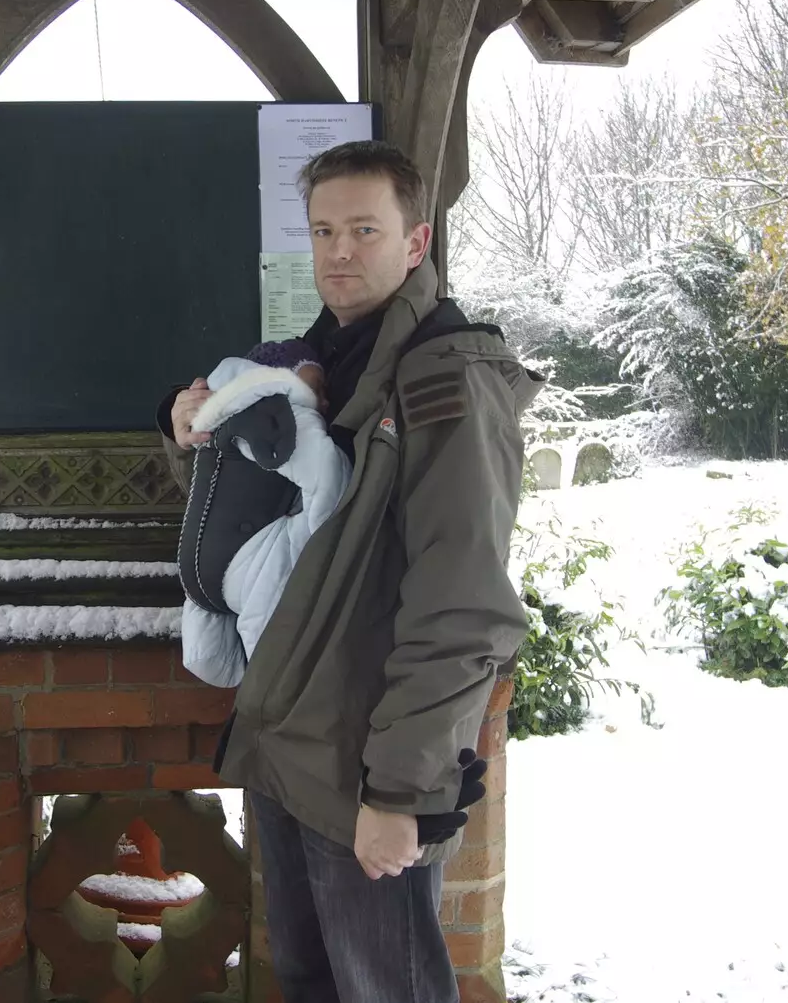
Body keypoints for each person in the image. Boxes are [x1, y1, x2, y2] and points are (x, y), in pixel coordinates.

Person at [155, 140, 543, 1003]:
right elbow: (266, 509)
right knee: (307, 977)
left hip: (366, 760)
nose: (338, 251)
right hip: (289, 746)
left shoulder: (447, 377)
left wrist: (401, 792)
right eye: (324, 230)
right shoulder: (310, 358)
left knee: (385, 990)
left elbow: (462, 604)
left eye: (364, 229)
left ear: (416, 241)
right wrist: (185, 422)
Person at [176, 337, 349, 689]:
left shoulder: (217, 410)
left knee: (207, 656)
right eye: (318, 386)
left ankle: (215, 662)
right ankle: (269, 687)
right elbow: (327, 479)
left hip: (195, 568)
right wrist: (318, 537)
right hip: (249, 561)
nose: (326, 400)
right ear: (288, 380)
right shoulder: (285, 414)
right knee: (269, 632)